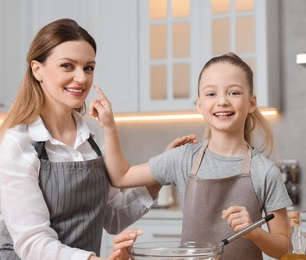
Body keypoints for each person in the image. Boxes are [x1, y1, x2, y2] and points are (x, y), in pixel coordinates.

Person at [0, 18, 196, 260]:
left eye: (88, 67)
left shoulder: (94, 133)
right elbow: (32, 242)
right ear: (37, 70)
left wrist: (161, 171)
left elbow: (113, 216)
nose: (82, 78)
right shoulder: (17, 142)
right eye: (67, 66)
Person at [93, 52, 293, 259]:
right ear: (199, 105)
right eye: (211, 94)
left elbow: (285, 248)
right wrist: (109, 125)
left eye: (234, 93)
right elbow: (121, 176)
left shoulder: (265, 172)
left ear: (251, 103)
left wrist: (255, 232)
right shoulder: (182, 159)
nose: (222, 101)